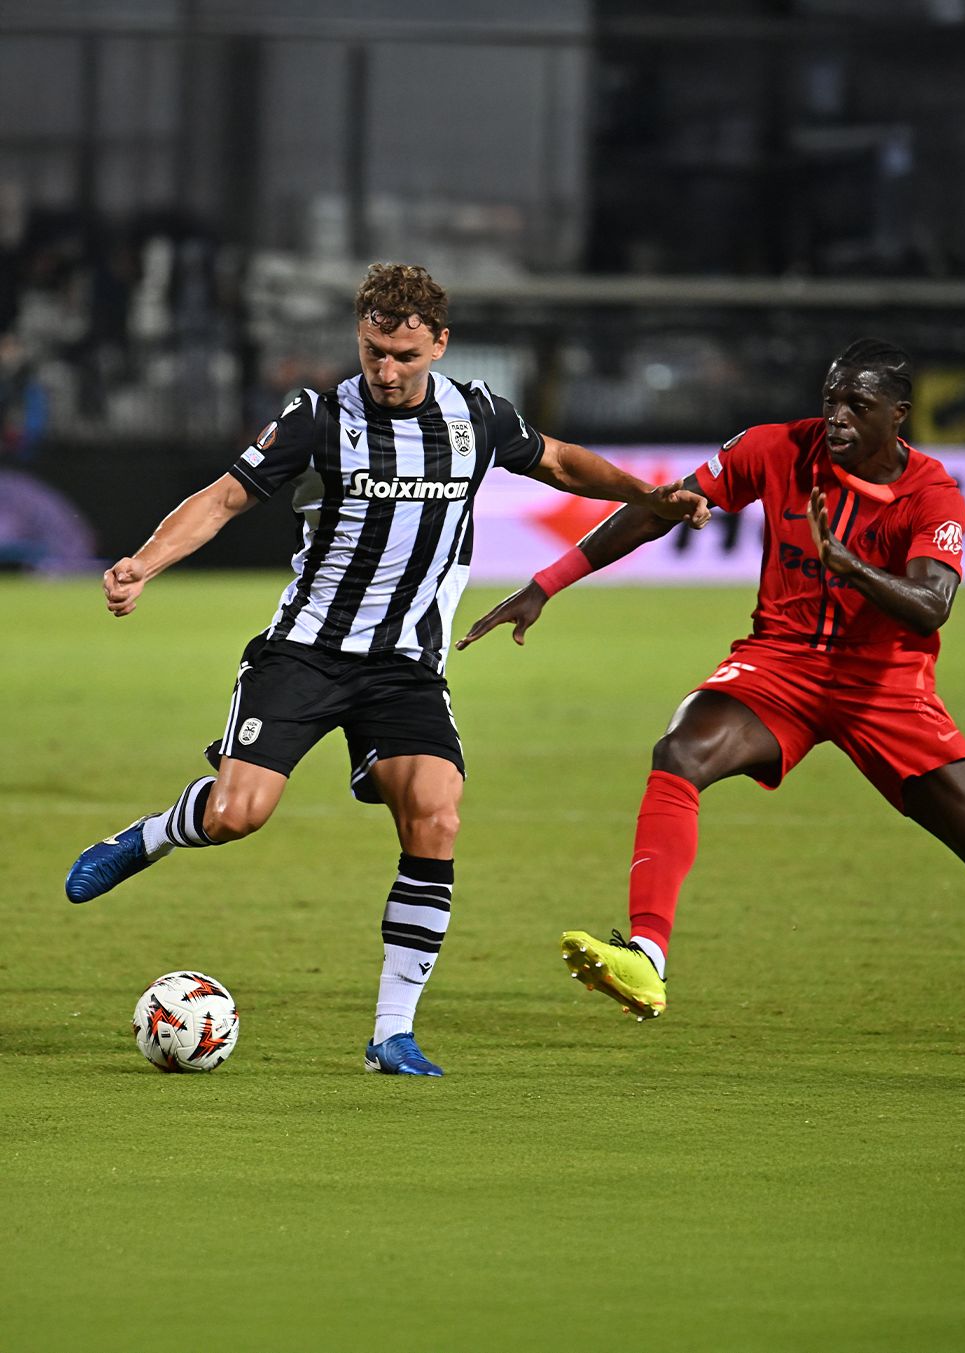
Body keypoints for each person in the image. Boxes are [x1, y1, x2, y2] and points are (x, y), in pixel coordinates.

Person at [64, 262, 709, 1076]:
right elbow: (225, 497)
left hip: (405, 666)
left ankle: (391, 1033)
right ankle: (150, 836)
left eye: (404, 353)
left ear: (439, 343)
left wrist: (649, 495)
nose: (386, 369)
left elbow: (562, 462)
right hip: (306, 650)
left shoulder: (477, 416)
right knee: (237, 815)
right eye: (373, 349)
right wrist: (143, 564)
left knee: (436, 813)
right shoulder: (317, 417)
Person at [458, 338, 965, 1048]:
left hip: (885, 686)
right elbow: (660, 508)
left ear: (899, 416)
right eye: (831, 399)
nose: (838, 417)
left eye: (859, 404)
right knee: (680, 751)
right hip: (780, 666)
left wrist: (847, 564)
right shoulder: (776, 448)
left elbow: (931, 604)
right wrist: (546, 582)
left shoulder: (932, 492)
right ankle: (647, 956)